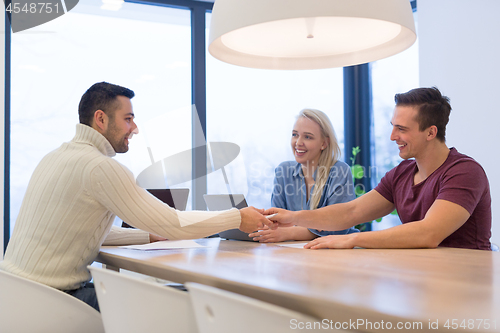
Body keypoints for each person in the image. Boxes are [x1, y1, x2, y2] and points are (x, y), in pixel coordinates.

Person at [0, 82, 273, 310]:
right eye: (128, 119)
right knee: (188, 301)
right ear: (101, 119)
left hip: (18, 296)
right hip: (55, 301)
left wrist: (147, 236)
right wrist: (237, 217)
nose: (135, 128)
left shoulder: (56, 157)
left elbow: (78, 230)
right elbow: (174, 223)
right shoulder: (100, 167)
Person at [265, 87, 491, 251]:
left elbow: (428, 233)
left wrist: (354, 239)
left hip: (464, 279)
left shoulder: (464, 172)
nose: (393, 137)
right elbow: (351, 212)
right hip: (424, 276)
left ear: (431, 133)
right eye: (393, 127)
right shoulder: (401, 174)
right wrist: (293, 216)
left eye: (402, 129)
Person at [250, 109, 358, 243]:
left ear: (324, 143)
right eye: (295, 135)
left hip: (333, 254)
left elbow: (338, 228)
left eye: (307, 137)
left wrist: (290, 232)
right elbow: (277, 223)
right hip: (291, 252)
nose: (298, 142)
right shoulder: (284, 171)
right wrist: (312, 229)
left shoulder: (339, 171)